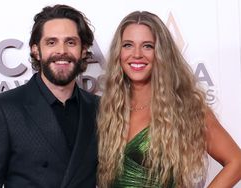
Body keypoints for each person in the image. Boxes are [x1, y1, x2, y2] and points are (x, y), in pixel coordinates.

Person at [97, 10, 241, 188]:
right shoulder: (109, 109)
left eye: (147, 46)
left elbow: (237, 161)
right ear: (118, 52)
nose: (136, 54)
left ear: (161, 53)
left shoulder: (186, 108)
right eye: (128, 45)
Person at [0, 4, 99, 188]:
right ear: (36, 50)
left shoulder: (99, 108)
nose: (61, 51)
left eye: (70, 42)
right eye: (51, 42)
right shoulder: (2, 109)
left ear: (83, 50)